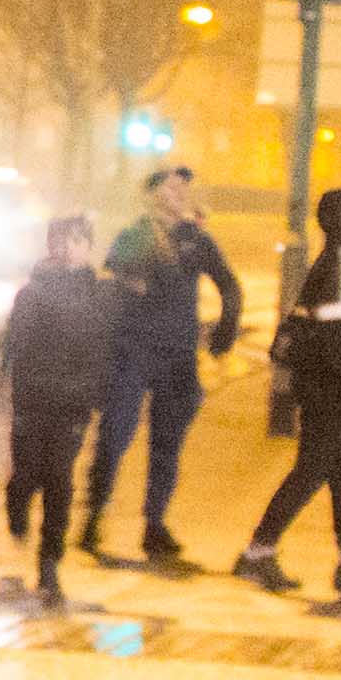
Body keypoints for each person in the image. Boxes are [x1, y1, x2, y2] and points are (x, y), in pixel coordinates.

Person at [235, 187, 341, 597]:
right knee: (312, 471)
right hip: (328, 392)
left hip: (328, 389)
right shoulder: (340, 264)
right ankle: (257, 552)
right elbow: (335, 338)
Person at [83, 161, 243, 570]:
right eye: (170, 188)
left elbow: (229, 284)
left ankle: (154, 525)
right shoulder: (136, 235)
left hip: (178, 357)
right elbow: (115, 283)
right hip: (133, 352)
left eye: (183, 188)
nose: (178, 194)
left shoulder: (195, 239)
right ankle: (94, 515)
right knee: (115, 435)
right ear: (152, 194)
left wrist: (226, 330)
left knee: (167, 444)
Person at [0, 210, 114, 607]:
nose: (67, 249)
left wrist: (96, 394)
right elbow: (15, 343)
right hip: (33, 400)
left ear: (88, 247)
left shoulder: (98, 296)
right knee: (28, 473)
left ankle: (49, 564)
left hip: (73, 405)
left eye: (76, 241)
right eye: (60, 240)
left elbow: (104, 349)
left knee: (59, 481)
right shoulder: (32, 293)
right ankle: (17, 501)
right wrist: (7, 382)